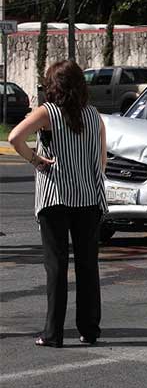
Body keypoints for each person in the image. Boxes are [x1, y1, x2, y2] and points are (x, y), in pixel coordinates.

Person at [8, 60, 107, 348]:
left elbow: (15, 137)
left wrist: (36, 160)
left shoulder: (47, 113)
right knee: (88, 266)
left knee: (57, 266)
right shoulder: (94, 115)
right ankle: (89, 329)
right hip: (88, 199)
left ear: (54, 87)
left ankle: (54, 333)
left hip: (55, 198)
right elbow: (101, 161)